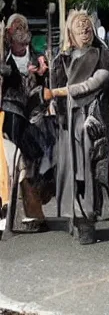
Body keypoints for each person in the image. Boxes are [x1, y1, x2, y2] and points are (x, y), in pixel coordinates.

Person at [48, 10, 109, 244]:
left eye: (87, 25)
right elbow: (54, 91)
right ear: (70, 31)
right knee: (71, 172)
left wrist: (60, 92)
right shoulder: (62, 60)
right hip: (68, 125)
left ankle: (89, 218)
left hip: (92, 121)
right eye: (79, 25)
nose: (84, 29)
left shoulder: (102, 55)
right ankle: (77, 218)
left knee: (90, 172)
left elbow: (97, 83)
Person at [1, 13, 51, 233]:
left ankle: (35, 213)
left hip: (33, 113)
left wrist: (42, 74)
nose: (21, 31)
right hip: (12, 112)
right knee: (14, 163)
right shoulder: (4, 60)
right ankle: (14, 214)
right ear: (9, 35)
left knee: (34, 162)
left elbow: (46, 84)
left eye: (24, 27)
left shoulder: (39, 58)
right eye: (16, 28)